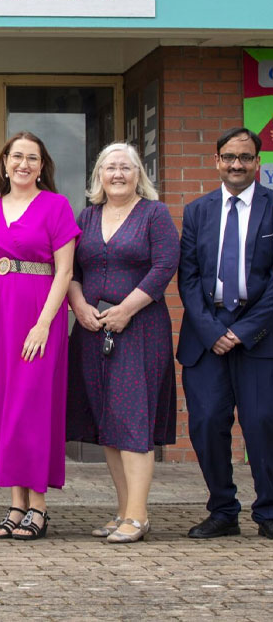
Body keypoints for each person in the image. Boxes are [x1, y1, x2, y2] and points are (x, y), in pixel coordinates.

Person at [0, 131, 79, 541]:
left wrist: (46, 323)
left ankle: (39, 507)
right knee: (4, 405)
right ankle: (16, 505)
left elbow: (64, 271)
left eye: (32, 158)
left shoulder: (56, 206)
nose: (23, 164)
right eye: (17, 157)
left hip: (37, 313)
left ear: (42, 165)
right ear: (5, 162)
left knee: (30, 405)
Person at [66, 143, 180, 543]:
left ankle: (139, 514)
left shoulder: (154, 214)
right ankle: (122, 510)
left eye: (125, 168)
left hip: (140, 329)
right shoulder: (88, 215)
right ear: (99, 175)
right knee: (108, 423)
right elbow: (74, 270)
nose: (117, 174)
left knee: (133, 421)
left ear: (138, 175)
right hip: (92, 329)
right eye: (110, 167)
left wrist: (127, 309)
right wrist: (78, 306)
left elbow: (165, 265)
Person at [177, 127, 273, 541]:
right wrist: (213, 330)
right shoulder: (198, 210)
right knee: (206, 423)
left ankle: (268, 512)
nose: (237, 164)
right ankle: (222, 510)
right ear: (216, 160)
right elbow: (188, 277)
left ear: (257, 161)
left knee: (262, 423)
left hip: (260, 337)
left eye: (246, 157)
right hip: (206, 337)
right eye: (229, 157)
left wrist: (242, 331)